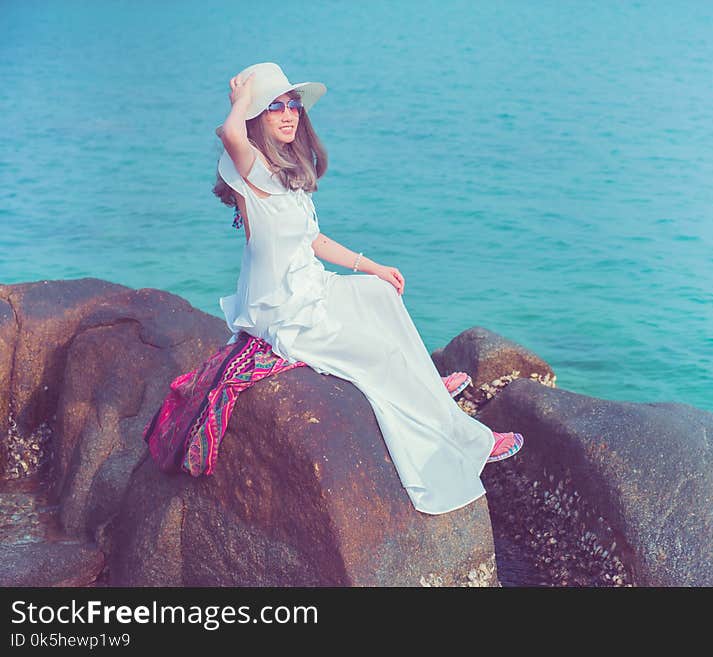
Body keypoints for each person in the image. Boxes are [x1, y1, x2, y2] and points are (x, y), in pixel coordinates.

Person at [212, 62, 523, 515]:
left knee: (380, 295)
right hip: (285, 314)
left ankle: (428, 388)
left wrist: (370, 266)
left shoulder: (284, 173)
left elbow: (311, 241)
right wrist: (238, 98)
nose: (288, 114)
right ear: (256, 115)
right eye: (274, 106)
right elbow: (230, 134)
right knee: (381, 359)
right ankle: (472, 441)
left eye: (292, 104)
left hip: (313, 289)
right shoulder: (250, 168)